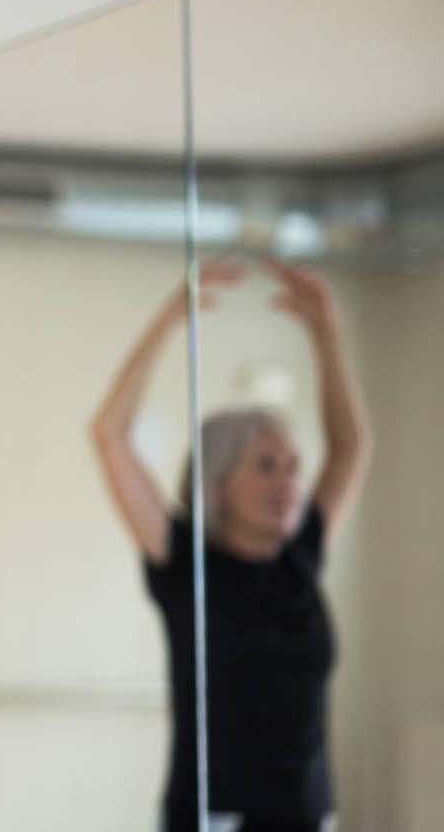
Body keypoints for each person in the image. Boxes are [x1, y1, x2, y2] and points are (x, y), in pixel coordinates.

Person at [90, 259, 371, 832]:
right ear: (218, 484)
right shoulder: (185, 562)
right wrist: (169, 322)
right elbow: (109, 435)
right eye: (266, 467)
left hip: (309, 817)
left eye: (293, 466)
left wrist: (326, 333)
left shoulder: (301, 557)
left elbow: (351, 447)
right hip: (217, 818)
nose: (289, 482)